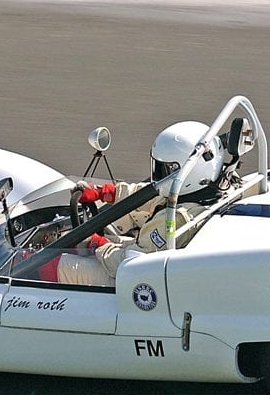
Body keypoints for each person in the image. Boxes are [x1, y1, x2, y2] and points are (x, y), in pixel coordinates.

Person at [39, 120, 227, 286]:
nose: (159, 175)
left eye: (165, 169)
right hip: (151, 261)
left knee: (49, 266)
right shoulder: (203, 192)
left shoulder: (176, 218)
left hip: (135, 278)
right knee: (82, 242)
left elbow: (130, 263)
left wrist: (97, 244)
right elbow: (150, 195)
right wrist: (104, 192)